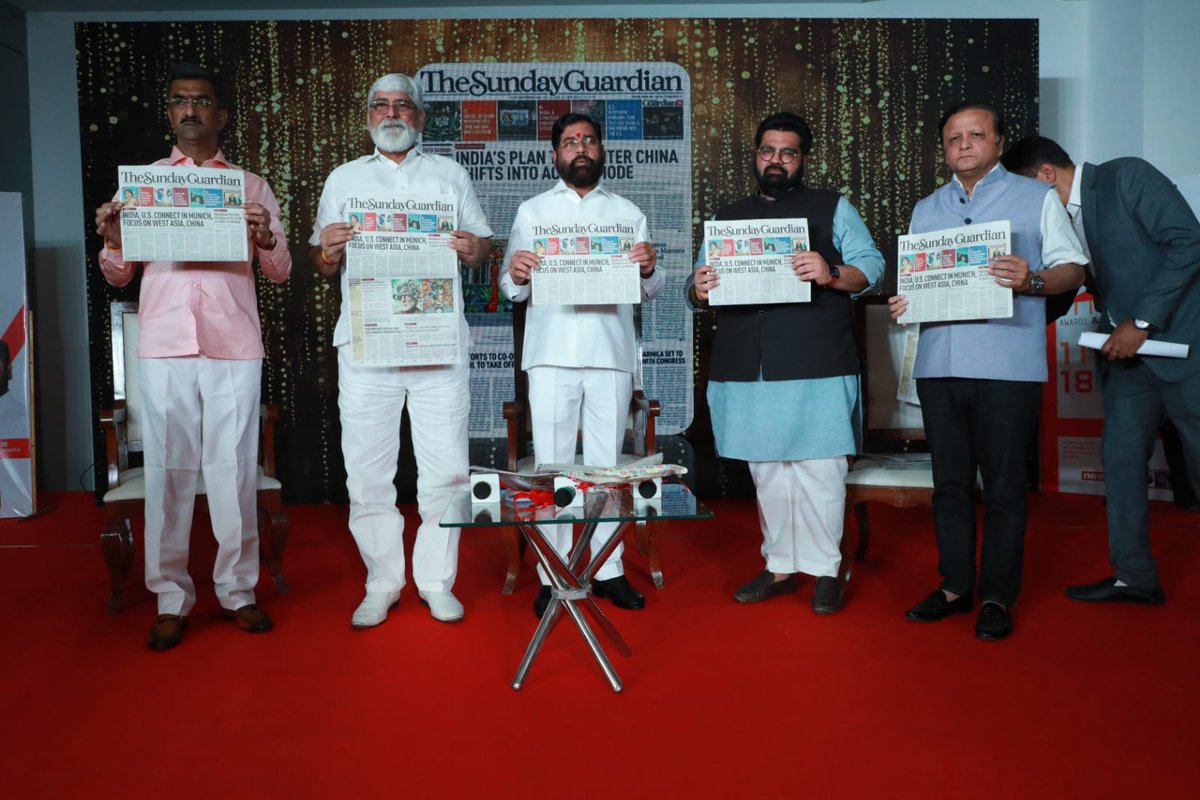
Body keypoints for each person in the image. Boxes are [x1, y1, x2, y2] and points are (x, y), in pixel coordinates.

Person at [93, 63, 292, 651]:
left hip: (233, 344)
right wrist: (111, 239)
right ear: (169, 113)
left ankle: (237, 591)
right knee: (169, 472)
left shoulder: (251, 186)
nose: (190, 110)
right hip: (163, 346)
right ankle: (172, 597)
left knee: (233, 471)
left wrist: (265, 239)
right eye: (180, 100)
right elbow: (118, 274)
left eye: (202, 101)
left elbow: (279, 273)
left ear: (220, 115)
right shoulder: (143, 184)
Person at [888, 103, 1086, 639]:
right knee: (949, 484)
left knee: (1002, 487)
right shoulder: (925, 209)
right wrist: (906, 303)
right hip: (939, 365)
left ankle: (997, 595)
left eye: (976, 135)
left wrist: (1033, 280)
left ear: (998, 143)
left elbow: (1073, 269)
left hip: (1008, 364)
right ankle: (954, 586)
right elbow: (917, 282)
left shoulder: (1038, 198)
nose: (965, 145)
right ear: (945, 149)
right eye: (954, 138)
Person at [310, 73, 493, 628]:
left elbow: (483, 250)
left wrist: (470, 248)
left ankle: (436, 582)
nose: (392, 113)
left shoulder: (449, 174)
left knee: (446, 472)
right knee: (366, 471)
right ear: (368, 115)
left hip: (437, 346)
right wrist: (331, 249)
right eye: (381, 105)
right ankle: (382, 581)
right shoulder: (344, 178)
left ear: (420, 116)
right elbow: (322, 263)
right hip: (368, 345)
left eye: (403, 106)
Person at [689, 111, 885, 614]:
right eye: (766, 151)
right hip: (747, 364)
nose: (775, 160)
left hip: (817, 358)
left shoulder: (832, 207)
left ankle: (824, 569)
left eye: (787, 152)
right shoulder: (727, 217)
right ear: (755, 156)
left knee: (819, 468)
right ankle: (779, 565)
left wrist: (832, 270)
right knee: (768, 469)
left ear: (803, 159)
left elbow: (874, 268)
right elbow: (698, 285)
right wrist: (699, 286)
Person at [1002, 135, 1200, 603]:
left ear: (1045, 176)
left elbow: (1189, 243)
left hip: (1185, 348)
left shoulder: (1125, 175)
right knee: (1121, 462)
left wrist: (1143, 321)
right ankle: (1134, 577)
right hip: (1128, 361)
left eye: (1023, 192)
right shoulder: (1067, 221)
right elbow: (1069, 285)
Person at [500, 112, 662, 618]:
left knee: (606, 471)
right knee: (554, 467)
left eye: (589, 140)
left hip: (610, 353)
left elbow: (649, 289)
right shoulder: (532, 211)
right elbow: (509, 288)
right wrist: (518, 271)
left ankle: (608, 571)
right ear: (556, 154)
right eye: (570, 141)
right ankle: (553, 573)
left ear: (601, 149)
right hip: (550, 354)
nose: (581, 148)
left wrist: (651, 266)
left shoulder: (627, 212)